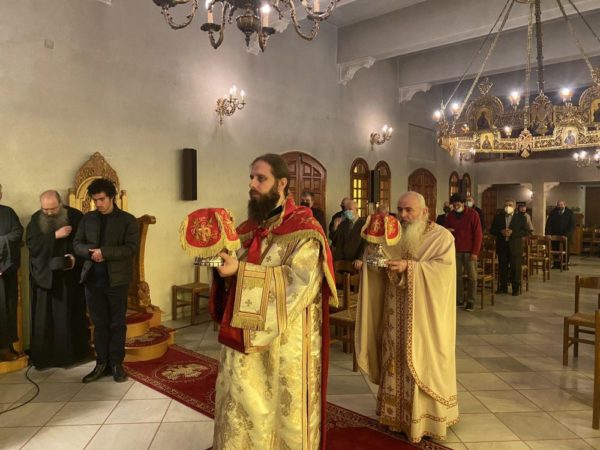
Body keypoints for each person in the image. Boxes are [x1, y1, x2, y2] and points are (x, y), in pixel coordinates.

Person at [209, 153, 336, 450]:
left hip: (285, 342)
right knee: (240, 402)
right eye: (251, 178)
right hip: (242, 332)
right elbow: (235, 267)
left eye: (261, 179)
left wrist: (240, 271)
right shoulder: (250, 227)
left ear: (282, 183)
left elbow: (299, 283)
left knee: (277, 411)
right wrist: (221, 265)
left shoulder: (305, 230)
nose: (252, 184)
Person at [356, 191, 458, 442]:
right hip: (394, 314)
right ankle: (395, 417)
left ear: (425, 212)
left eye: (409, 210)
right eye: (400, 209)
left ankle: (425, 421)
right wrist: (372, 250)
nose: (402, 215)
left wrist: (410, 268)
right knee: (394, 359)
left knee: (423, 361)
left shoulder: (441, 237)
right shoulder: (394, 235)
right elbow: (378, 263)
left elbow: (443, 274)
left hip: (425, 320)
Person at [74, 178, 139, 383]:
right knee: (99, 324)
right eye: (95, 200)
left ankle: (116, 364)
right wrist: (91, 252)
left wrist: (105, 253)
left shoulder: (128, 220)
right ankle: (101, 363)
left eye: (102, 199)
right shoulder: (88, 219)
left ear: (112, 197)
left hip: (117, 280)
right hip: (92, 279)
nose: (98, 204)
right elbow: (77, 244)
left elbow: (131, 249)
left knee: (117, 324)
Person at [26, 190, 89, 369]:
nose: (48, 213)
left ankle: (72, 356)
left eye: (52, 209)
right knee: (45, 320)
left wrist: (75, 258)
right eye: (45, 209)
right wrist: (54, 235)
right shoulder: (36, 219)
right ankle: (45, 358)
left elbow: (84, 242)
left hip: (69, 278)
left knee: (68, 317)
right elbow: (32, 245)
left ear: (60, 204)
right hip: (45, 278)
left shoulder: (75, 216)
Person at [445, 193, 482, 311]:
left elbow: (478, 235)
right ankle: (459, 299)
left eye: (458, 204)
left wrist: (475, 252)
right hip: (455, 251)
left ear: (463, 203)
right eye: (454, 205)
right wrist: (447, 231)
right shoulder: (450, 216)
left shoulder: (473, 214)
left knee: (472, 277)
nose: (456, 207)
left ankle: (471, 301)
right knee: (457, 277)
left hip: (469, 251)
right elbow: (445, 232)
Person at [0, 184, 24, 361]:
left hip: (6, 270)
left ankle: (5, 347)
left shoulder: (8, 213)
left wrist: (1, 241)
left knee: (7, 308)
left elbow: (17, 233)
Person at [490, 199, 529, 296]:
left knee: (515, 268)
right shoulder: (498, 217)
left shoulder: (521, 217)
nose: (508, 207)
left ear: (515, 207)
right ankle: (503, 287)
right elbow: (492, 230)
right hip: (502, 246)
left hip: (515, 246)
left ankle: (515, 288)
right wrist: (501, 232)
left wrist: (513, 233)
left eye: (510, 205)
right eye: (506, 205)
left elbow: (526, 231)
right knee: (502, 268)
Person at [331, 199, 366, 271]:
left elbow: (365, 243)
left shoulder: (364, 224)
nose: (347, 212)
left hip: (355, 262)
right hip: (340, 262)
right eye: (346, 210)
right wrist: (335, 227)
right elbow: (333, 239)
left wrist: (360, 258)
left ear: (356, 209)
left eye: (350, 209)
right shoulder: (342, 223)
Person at [545, 200, 575, 268]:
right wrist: (548, 233)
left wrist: (566, 235)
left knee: (566, 250)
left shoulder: (569, 212)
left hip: (565, 235)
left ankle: (565, 265)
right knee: (555, 249)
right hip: (555, 234)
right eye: (558, 205)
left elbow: (572, 225)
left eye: (561, 205)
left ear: (565, 205)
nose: (560, 206)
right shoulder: (553, 212)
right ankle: (556, 264)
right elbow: (549, 223)